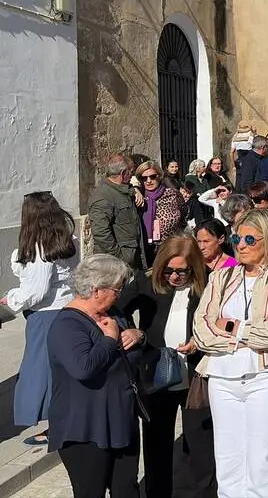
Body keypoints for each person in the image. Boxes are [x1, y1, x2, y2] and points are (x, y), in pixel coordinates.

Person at [191, 209, 268, 498]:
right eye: (238, 237)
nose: (240, 245)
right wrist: (240, 336)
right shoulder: (221, 278)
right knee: (227, 456)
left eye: (250, 239)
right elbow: (201, 330)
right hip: (222, 376)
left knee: (261, 457)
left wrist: (231, 328)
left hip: (265, 375)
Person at [117, 235, 216, 498]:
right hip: (157, 375)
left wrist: (200, 341)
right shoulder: (147, 282)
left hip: (196, 375)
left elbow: (220, 323)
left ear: (193, 267)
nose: (173, 276)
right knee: (157, 444)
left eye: (181, 271)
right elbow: (117, 308)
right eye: (168, 270)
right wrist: (135, 334)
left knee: (200, 444)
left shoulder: (209, 284)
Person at [46, 255, 139, 498]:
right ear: (96, 290)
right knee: (90, 492)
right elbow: (83, 368)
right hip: (85, 429)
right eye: (117, 289)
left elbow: (134, 353)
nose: (120, 295)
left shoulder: (114, 314)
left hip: (121, 421)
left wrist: (138, 335)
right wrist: (109, 340)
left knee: (127, 490)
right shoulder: (67, 325)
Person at [2, 193, 80, 442]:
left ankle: (56, 425)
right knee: (60, 369)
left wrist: (11, 299)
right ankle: (64, 421)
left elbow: (36, 291)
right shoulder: (69, 240)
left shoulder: (40, 248)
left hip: (46, 315)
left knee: (40, 372)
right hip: (67, 308)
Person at [88, 154, 145, 268]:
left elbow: (127, 189)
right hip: (115, 264)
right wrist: (120, 258)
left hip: (132, 258)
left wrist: (135, 190)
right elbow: (101, 233)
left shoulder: (123, 189)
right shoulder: (103, 196)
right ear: (123, 173)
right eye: (130, 172)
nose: (132, 176)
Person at [136, 161, 186, 264]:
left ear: (159, 176)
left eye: (152, 176)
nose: (148, 181)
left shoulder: (173, 194)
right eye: (144, 178)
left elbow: (184, 212)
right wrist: (135, 189)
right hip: (146, 249)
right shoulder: (138, 197)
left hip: (171, 246)